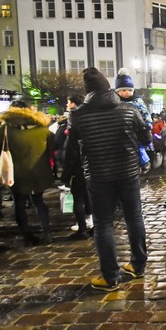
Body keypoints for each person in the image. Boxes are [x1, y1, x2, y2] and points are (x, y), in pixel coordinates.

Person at [64, 67, 151, 292]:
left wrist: (69, 172)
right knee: (134, 217)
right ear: (109, 87)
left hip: (98, 175)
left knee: (103, 225)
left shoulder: (78, 114)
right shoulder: (128, 110)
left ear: (87, 91)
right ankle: (138, 265)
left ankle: (110, 276)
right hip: (128, 172)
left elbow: (71, 149)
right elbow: (146, 137)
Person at [0, 100, 55, 246]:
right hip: (38, 172)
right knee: (39, 201)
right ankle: (47, 231)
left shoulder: (5, 129)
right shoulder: (42, 128)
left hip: (15, 173)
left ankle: (26, 235)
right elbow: (52, 149)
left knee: (19, 203)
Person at [60, 94, 94, 239]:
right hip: (94, 165)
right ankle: (93, 225)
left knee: (78, 198)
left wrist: (66, 174)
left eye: (68, 102)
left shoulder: (74, 130)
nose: (67, 105)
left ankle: (82, 230)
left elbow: (71, 153)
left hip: (80, 167)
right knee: (90, 195)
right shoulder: (93, 120)